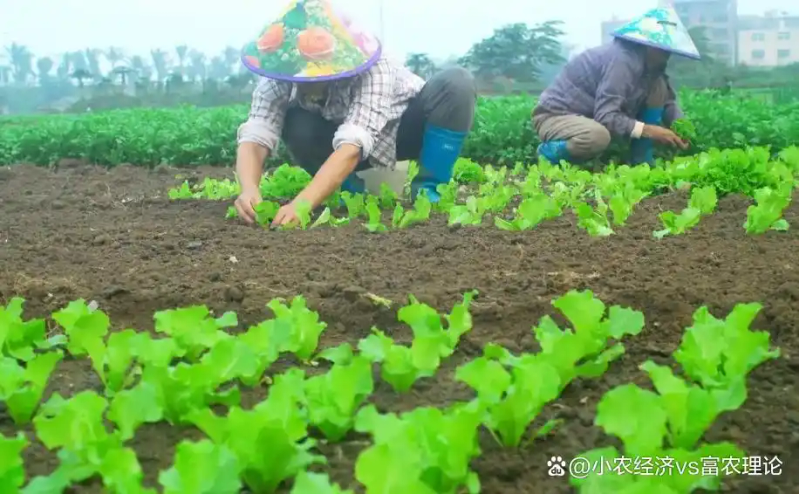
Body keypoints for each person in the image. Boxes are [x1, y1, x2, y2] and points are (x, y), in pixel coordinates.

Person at [233, 0, 477, 226]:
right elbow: (256, 134)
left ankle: (429, 191)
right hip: (337, 140)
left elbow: (353, 143)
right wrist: (249, 189)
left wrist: (301, 204)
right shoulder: (281, 75)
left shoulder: (376, 67)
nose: (309, 79)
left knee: (457, 83)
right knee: (296, 122)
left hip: (402, 130)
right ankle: (346, 191)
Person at [532, 6, 699, 167]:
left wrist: (681, 127)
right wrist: (650, 130)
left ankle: (641, 160)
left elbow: (668, 102)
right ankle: (549, 154)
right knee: (596, 137)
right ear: (649, 45)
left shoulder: (651, 67)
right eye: (663, 50)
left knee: (659, 87)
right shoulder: (622, 62)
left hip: (591, 117)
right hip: (556, 115)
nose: (667, 56)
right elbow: (606, 116)